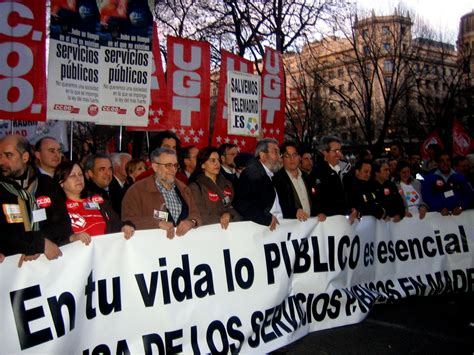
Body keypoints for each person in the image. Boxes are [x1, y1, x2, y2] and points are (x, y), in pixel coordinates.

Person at [0, 135, 73, 265]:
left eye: (8, 155)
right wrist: (37, 243)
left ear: (25, 157)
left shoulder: (46, 184)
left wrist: (41, 244)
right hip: (12, 271)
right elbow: (3, 235)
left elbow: (63, 225)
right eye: (0, 156)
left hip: (46, 266)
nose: (1, 161)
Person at [122, 147, 201, 238]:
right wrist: (157, 223)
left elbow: (196, 214)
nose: (173, 170)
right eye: (168, 165)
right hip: (152, 247)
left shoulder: (184, 189)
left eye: (175, 165)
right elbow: (128, 220)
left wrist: (191, 222)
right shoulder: (136, 191)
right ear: (155, 167)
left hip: (183, 248)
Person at [55, 161, 134, 240]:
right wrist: (72, 238)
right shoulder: (57, 208)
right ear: (61, 182)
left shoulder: (96, 200)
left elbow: (116, 223)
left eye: (80, 174)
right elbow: (55, 237)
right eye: (72, 176)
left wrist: (125, 226)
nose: (78, 179)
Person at [234, 138, 283, 230]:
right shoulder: (252, 173)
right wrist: (267, 218)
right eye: (275, 152)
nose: (279, 157)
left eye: (279, 153)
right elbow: (242, 203)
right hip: (260, 230)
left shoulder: (274, 175)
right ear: (263, 155)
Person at [188, 147, 241, 228]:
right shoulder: (195, 187)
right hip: (208, 232)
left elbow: (235, 210)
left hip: (230, 231)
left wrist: (228, 215)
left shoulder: (228, 185)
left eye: (218, 160)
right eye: (212, 160)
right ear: (202, 165)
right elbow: (201, 215)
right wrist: (222, 218)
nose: (217, 163)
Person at [313, 135, 357, 223]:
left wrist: (355, 208)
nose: (339, 154)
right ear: (325, 153)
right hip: (330, 224)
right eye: (335, 151)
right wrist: (319, 212)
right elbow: (315, 200)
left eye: (340, 150)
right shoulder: (317, 173)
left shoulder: (347, 169)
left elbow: (354, 192)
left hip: (349, 224)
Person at [273, 142, 316, 221]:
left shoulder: (307, 177)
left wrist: (319, 212)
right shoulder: (277, 180)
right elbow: (278, 207)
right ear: (282, 158)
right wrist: (294, 212)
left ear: (299, 157)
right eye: (287, 156)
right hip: (291, 228)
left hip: (312, 227)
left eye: (294, 155)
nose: (292, 159)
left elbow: (315, 201)